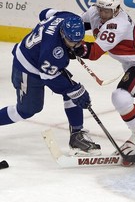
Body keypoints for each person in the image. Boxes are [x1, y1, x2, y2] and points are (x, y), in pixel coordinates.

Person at [0, 8, 101, 156]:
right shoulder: (53, 51)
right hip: (27, 67)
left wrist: (73, 90)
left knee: (72, 91)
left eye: (78, 41)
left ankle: (77, 136)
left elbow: (45, 13)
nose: (76, 45)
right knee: (27, 110)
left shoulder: (68, 17)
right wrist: (76, 91)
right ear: (62, 34)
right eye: (71, 42)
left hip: (40, 59)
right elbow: (49, 77)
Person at [72, 0, 135, 157]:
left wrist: (75, 47)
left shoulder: (119, 24)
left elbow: (94, 52)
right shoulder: (95, 11)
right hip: (130, 62)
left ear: (117, 9)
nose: (102, 13)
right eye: (100, 9)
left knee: (121, 97)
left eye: (107, 10)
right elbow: (77, 24)